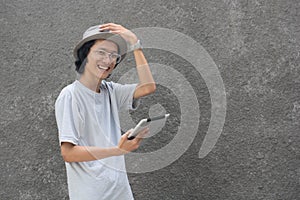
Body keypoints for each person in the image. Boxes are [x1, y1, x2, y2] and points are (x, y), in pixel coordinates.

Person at [55, 23, 156, 200]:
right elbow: (68, 153)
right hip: (92, 195)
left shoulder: (111, 91)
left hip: (120, 192)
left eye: (113, 55)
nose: (108, 60)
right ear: (85, 55)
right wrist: (117, 150)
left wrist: (135, 44)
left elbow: (148, 87)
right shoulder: (70, 95)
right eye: (101, 52)